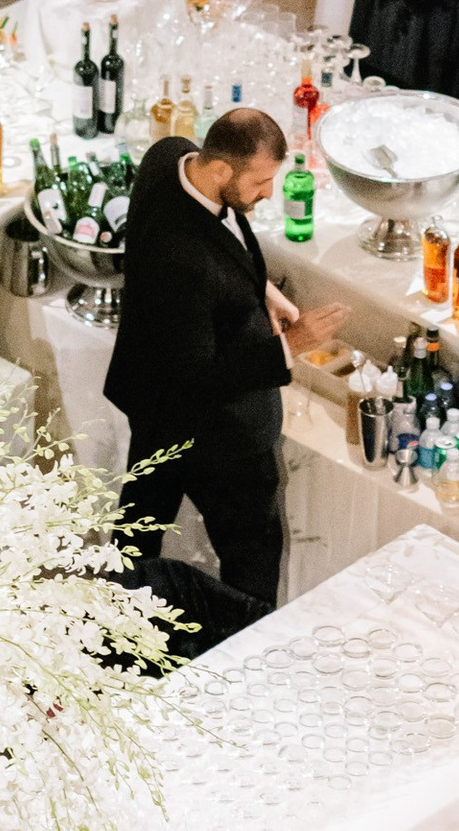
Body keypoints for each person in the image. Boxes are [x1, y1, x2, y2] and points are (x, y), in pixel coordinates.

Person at [106, 106, 343, 606]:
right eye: (260, 183)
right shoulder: (185, 262)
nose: (267, 194)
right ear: (219, 171)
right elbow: (199, 377)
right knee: (254, 551)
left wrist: (263, 294)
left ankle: (111, 614)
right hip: (216, 432)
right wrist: (290, 345)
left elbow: (225, 255)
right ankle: (248, 638)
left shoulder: (168, 156)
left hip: (150, 397)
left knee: (136, 531)